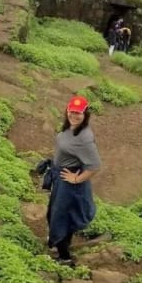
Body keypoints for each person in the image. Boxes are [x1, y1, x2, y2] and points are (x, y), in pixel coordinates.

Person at [47, 96, 101, 266]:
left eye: (79, 113)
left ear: (85, 114)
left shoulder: (84, 138)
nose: (74, 116)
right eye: (72, 112)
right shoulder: (69, 127)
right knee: (58, 213)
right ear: (67, 111)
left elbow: (95, 165)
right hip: (61, 178)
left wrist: (76, 179)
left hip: (69, 183)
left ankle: (65, 258)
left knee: (60, 217)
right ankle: (59, 244)